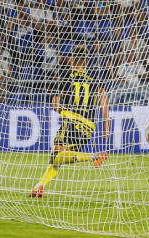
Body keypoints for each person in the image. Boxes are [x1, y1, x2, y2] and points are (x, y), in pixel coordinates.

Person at [29, 46, 109, 198]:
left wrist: (63, 112)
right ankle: (39, 187)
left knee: (56, 156)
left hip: (71, 122)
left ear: (71, 60)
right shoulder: (96, 81)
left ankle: (94, 156)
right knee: (56, 157)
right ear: (87, 61)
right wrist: (106, 126)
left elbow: (55, 104)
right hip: (89, 127)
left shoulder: (65, 77)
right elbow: (104, 102)